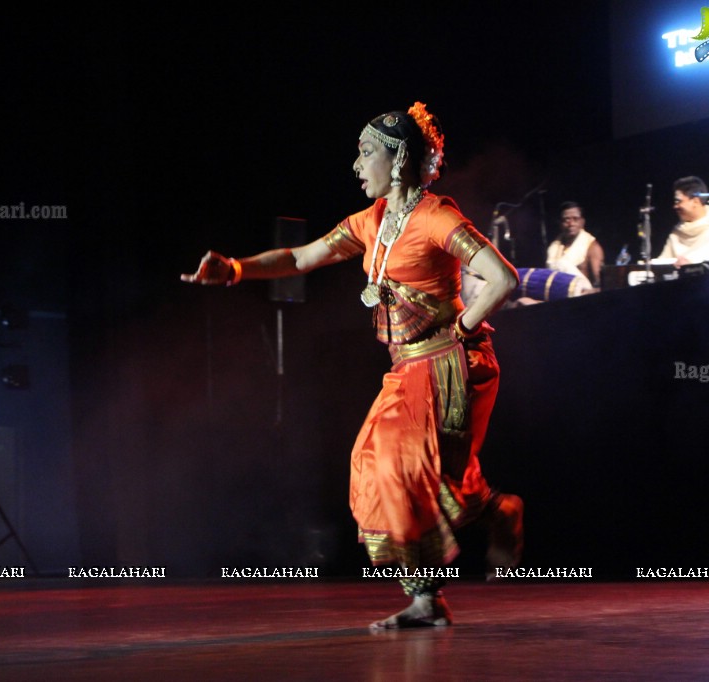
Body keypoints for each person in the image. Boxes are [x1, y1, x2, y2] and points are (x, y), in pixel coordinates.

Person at [182, 103, 523, 629]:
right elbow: (299, 259)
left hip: (451, 365)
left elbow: (502, 279)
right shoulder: (371, 223)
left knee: (402, 466)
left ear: (400, 157)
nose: (357, 165)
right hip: (406, 369)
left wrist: (459, 330)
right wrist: (233, 270)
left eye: (367, 153)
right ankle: (446, 575)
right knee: (379, 467)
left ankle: (449, 570)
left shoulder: (437, 217)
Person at [546, 202, 603, 290]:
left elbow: (601, 284)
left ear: (582, 222)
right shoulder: (553, 248)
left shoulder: (592, 247)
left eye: (575, 219)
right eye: (566, 220)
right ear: (560, 223)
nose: (571, 224)